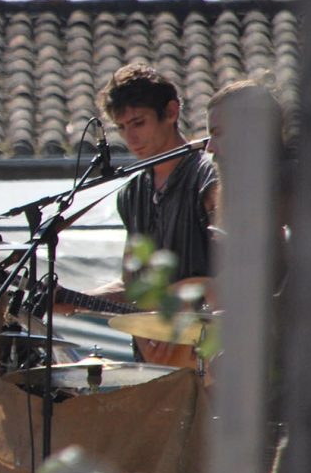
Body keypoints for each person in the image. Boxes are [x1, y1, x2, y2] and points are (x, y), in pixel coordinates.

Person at [56, 63, 219, 368]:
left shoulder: (209, 178)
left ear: (171, 112)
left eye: (139, 123)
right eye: (122, 127)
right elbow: (133, 288)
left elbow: (245, 275)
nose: (130, 138)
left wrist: (183, 299)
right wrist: (76, 299)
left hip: (213, 359)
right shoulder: (131, 195)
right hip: (156, 362)